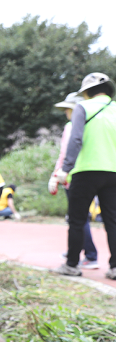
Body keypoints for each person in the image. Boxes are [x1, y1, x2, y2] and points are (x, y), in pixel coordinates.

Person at [53, 73, 116, 279]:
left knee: (77, 220)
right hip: (113, 172)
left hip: (86, 171)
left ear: (86, 92)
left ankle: (72, 265)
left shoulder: (83, 107)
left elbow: (75, 139)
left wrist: (65, 168)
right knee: (112, 221)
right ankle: (115, 267)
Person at [47, 92, 99, 269]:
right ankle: (78, 252)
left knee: (77, 219)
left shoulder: (71, 126)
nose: (66, 113)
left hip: (74, 176)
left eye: (68, 109)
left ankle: (88, 256)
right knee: (82, 218)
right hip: (96, 173)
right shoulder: (93, 124)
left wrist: (56, 175)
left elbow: (64, 154)